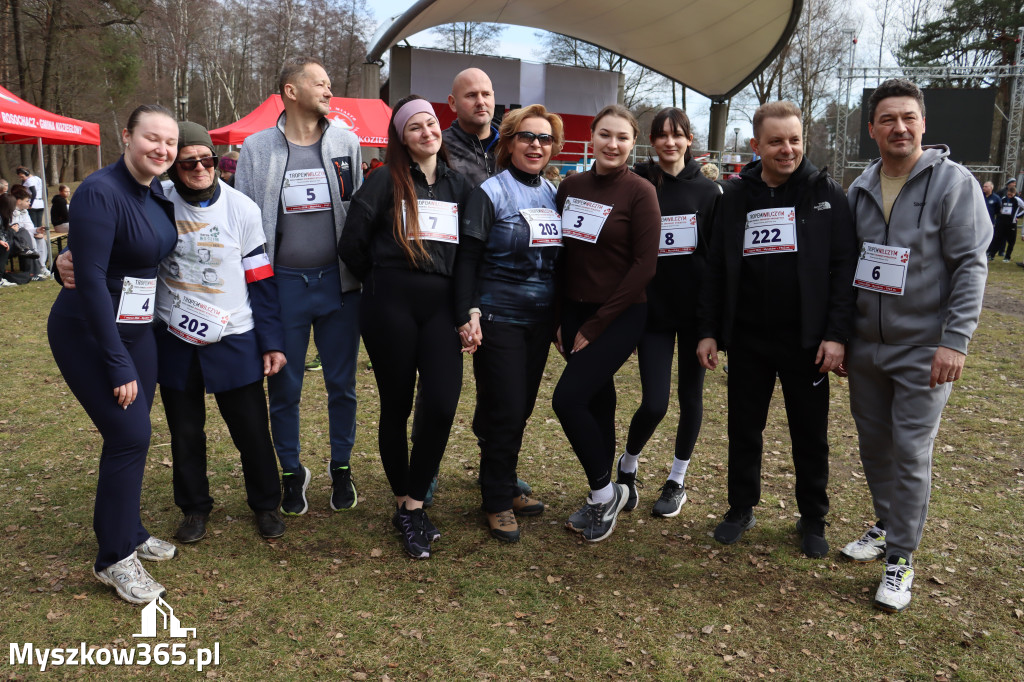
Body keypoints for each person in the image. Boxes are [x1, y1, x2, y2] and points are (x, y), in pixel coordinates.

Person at [842, 79, 990, 612]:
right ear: (872, 130)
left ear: (923, 124)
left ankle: (901, 556)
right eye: (887, 119)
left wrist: (955, 341)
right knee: (873, 447)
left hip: (925, 349)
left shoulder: (953, 184)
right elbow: (844, 269)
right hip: (866, 348)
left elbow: (971, 265)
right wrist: (842, 337)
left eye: (908, 118)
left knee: (909, 450)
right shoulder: (859, 187)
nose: (898, 128)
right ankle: (887, 524)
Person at [696, 100, 857, 558]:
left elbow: (844, 269)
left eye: (794, 140)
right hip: (747, 339)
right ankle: (740, 507)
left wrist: (836, 334)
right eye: (776, 141)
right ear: (756, 145)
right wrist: (708, 330)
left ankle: (812, 517)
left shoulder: (827, 195)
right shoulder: (735, 197)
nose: (787, 150)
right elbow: (714, 269)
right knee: (745, 428)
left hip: (807, 341)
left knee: (810, 433)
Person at [46, 104, 181, 604]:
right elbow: (93, 284)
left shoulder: (156, 192)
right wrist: (117, 361)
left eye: (168, 142)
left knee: (134, 438)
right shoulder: (99, 192)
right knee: (129, 434)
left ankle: (129, 528)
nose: (162, 149)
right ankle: (113, 559)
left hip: (138, 328)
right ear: (126, 136)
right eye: (152, 138)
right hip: (90, 331)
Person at [339, 95, 472, 559]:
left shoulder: (459, 185)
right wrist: (380, 277)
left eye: (431, 123)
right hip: (389, 304)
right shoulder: (382, 183)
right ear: (400, 137)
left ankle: (415, 501)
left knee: (439, 403)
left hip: (440, 305)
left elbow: (469, 254)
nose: (426, 132)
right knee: (396, 405)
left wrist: (466, 309)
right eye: (414, 127)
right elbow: (351, 242)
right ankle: (407, 505)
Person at [235, 56, 363, 516]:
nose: (329, 91)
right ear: (291, 91)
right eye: (321, 83)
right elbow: (245, 220)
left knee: (341, 383)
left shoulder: (347, 142)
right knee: (284, 385)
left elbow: (358, 211)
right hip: (282, 285)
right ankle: (291, 471)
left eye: (330, 83)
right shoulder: (256, 148)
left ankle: (342, 467)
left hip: (339, 284)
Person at [454, 104, 563, 542]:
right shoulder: (492, 192)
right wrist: (470, 312)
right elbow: (468, 259)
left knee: (520, 408)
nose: (536, 145)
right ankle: (497, 500)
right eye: (527, 137)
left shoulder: (554, 194)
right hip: (498, 318)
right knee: (506, 408)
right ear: (509, 142)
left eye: (544, 139)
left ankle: (502, 479)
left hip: (539, 322)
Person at [553, 104, 660, 543]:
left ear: (632, 143)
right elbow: (558, 254)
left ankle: (604, 493)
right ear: (591, 138)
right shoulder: (572, 185)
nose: (612, 144)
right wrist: (559, 319)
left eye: (622, 137)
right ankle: (601, 491)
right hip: (574, 311)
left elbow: (644, 265)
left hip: (619, 314)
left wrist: (596, 325)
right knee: (598, 401)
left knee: (567, 399)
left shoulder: (641, 191)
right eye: (605, 135)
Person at [614, 108, 720, 519]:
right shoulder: (641, 184)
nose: (670, 142)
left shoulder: (709, 193)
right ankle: (628, 465)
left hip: (695, 317)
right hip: (653, 312)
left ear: (689, 140)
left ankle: (676, 480)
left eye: (677, 135)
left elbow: (714, 261)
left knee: (690, 399)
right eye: (661, 136)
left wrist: (713, 323)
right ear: (652, 141)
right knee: (655, 402)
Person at [443, 68, 498, 187]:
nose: (481, 102)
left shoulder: (512, 146)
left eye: (486, 94)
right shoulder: (439, 149)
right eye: (471, 95)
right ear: (453, 103)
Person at [9, 185, 47, 279]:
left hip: (25, 237)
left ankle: (42, 266)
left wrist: (37, 230)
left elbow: (29, 227)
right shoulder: (10, 211)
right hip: (15, 239)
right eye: (27, 201)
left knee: (40, 238)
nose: (29, 203)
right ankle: (35, 270)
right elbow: (14, 229)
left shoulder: (25, 212)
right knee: (28, 235)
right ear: (19, 201)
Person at [987, 182, 1024, 263]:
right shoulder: (1003, 198)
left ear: (1014, 194)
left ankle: (1007, 257)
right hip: (1001, 222)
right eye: (1008, 194)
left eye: (1011, 195)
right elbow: (999, 208)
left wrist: (1017, 216)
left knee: (1011, 241)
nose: (1009, 196)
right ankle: (992, 255)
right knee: (997, 239)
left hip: (1011, 223)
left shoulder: (1017, 200)